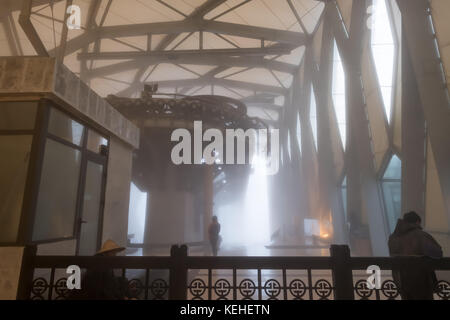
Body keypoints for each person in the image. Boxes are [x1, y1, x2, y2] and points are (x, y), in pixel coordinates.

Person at [388, 211, 443, 300]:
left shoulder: (393, 238)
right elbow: (438, 253)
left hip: (401, 281)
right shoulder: (420, 235)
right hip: (420, 282)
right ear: (417, 222)